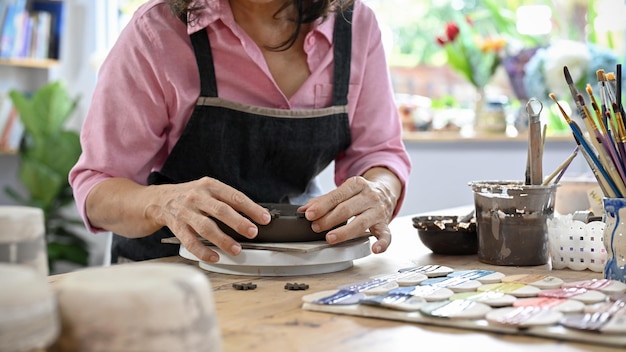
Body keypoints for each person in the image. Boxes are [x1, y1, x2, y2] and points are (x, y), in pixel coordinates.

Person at [69, 0, 412, 264]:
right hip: (168, 277)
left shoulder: (355, 24)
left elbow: (378, 154)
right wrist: (162, 203)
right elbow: (98, 189)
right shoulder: (157, 30)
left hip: (297, 271)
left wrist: (379, 191)